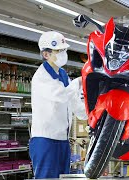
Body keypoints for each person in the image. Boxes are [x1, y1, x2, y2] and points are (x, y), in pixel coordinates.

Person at [29, 31, 87, 178]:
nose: (63, 54)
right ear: (46, 54)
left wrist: (89, 114)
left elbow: (72, 99)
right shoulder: (41, 77)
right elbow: (60, 96)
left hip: (62, 140)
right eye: (59, 51)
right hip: (45, 140)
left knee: (63, 178)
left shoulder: (62, 74)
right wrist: (79, 81)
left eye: (64, 50)